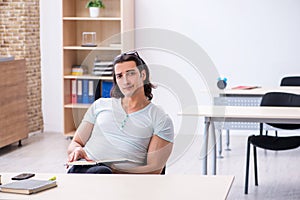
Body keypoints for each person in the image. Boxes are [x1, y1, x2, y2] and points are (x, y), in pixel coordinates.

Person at [67, 51, 174, 174]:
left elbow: (154, 169)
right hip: (84, 168)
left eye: (131, 74)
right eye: (120, 76)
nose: (125, 81)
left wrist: (115, 172)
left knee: (102, 172)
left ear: (143, 75)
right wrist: (76, 150)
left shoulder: (160, 118)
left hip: (117, 179)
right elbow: (75, 143)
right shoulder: (100, 105)